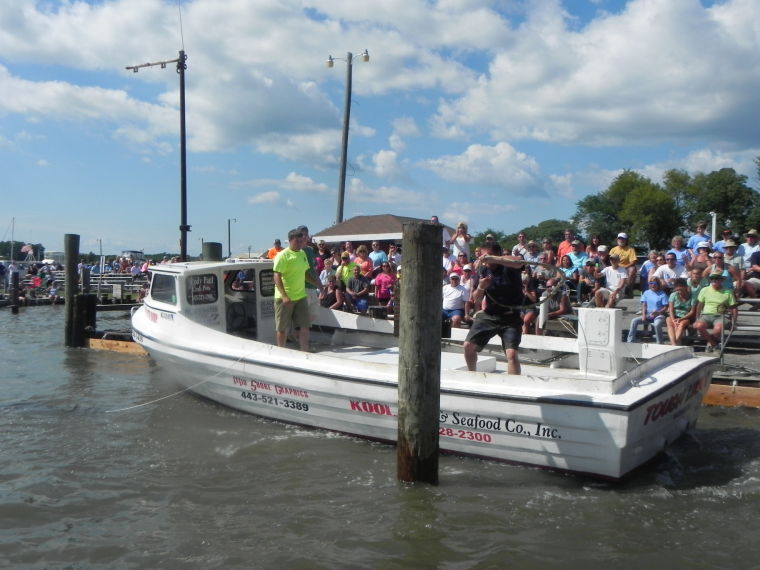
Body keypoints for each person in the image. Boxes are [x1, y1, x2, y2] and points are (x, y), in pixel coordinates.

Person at [463, 244, 525, 375]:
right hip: (490, 315)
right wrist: (481, 287)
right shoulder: (483, 271)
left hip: (511, 317)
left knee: (512, 355)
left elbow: (519, 262)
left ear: (497, 254)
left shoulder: (509, 266)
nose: (485, 260)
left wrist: (494, 259)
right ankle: (472, 375)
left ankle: (512, 387)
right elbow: (476, 299)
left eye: (488, 255)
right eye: (483, 256)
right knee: (468, 346)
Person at [272, 228, 324, 351]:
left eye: (301, 241)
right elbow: (277, 276)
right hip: (284, 298)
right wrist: (284, 296)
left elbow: (305, 273)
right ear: (290, 241)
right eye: (297, 241)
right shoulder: (282, 255)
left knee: (305, 326)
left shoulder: (302, 254)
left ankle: (304, 351)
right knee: (282, 328)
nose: (300, 244)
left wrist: (318, 285)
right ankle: (281, 352)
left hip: (300, 296)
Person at [693, 271, 738, 352]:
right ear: (710, 280)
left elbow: (734, 308)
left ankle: (710, 344)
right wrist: (697, 317)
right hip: (706, 315)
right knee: (698, 325)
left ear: (721, 280)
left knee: (718, 328)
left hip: (721, 316)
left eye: (717, 278)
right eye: (712, 278)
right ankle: (714, 344)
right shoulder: (704, 290)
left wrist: (734, 322)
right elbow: (699, 305)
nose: (714, 280)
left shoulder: (728, 292)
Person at [627, 280, 668, 344]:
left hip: (659, 315)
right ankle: (630, 340)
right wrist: (643, 315)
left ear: (658, 285)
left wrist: (658, 312)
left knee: (657, 324)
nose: (653, 285)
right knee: (634, 321)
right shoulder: (646, 293)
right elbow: (644, 304)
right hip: (648, 315)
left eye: (655, 283)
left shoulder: (662, 294)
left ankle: (660, 342)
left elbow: (666, 307)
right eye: (651, 283)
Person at [666, 278, 696, 345]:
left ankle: (674, 343)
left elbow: (692, 311)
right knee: (669, 320)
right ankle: (674, 343)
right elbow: (671, 309)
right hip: (675, 315)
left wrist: (681, 319)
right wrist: (674, 320)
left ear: (685, 287)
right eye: (677, 286)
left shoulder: (692, 296)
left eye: (681, 286)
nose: (679, 288)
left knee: (681, 324)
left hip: (686, 316)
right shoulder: (673, 295)